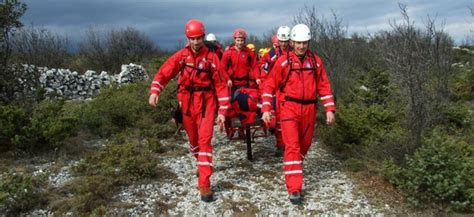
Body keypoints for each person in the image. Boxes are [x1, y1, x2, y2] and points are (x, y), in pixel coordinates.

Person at [148, 19, 230, 203]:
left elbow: (222, 85)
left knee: (205, 140)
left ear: (203, 37)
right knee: (194, 141)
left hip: (206, 102)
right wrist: (155, 91)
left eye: (199, 38)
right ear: (188, 38)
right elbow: (165, 72)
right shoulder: (181, 56)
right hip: (186, 103)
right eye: (192, 38)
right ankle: (200, 161)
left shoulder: (212, 58)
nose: (196, 42)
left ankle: (204, 183)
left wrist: (222, 111)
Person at [260, 24, 336, 205]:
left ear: (308, 42)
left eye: (305, 43)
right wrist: (266, 108)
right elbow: (270, 85)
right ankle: (294, 188)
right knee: (293, 146)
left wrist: (329, 109)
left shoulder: (316, 62)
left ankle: (292, 167)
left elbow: (324, 86)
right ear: (292, 42)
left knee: (305, 144)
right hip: (289, 109)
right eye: (298, 43)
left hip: (309, 110)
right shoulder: (283, 62)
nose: (301, 46)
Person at [257, 25, 292, 157]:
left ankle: (291, 145)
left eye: (285, 41)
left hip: (290, 92)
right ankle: (280, 145)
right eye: (281, 41)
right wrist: (266, 92)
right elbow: (264, 75)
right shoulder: (271, 55)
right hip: (275, 91)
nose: (283, 44)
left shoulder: (294, 54)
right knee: (277, 121)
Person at [220, 28, 258, 92]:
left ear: (244, 41)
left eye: (241, 40)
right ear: (234, 40)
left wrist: (257, 78)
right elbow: (222, 68)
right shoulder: (228, 53)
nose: (240, 43)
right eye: (238, 40)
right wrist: (227, 79)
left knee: (245, 101)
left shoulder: (249, 53)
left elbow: (255, 66)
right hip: (231, 84)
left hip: (245, 83)